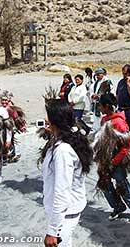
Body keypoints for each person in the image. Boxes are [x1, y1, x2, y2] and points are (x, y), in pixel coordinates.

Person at [39, 99, 93, 247]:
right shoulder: (65, 141)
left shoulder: (63, 150)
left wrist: (53, 230)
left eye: (47, 115)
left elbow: (62, 191)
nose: (45, 119)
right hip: (66, 212)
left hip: (65, 215)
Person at [93, 93, 130, 221]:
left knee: (122, 184)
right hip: (104, 159)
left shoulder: (119, 123)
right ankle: (117, 206)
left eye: (100, 105)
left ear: (107, 106)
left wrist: (115, 161)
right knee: (105, 184)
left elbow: (127, 145)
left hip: (116, 161)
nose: (99, 108)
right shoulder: (104, 120)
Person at [0, 90, 26, 165]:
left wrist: (21, 126)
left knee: (10, 141)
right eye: (2, 100)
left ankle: (10, 155)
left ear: (8, 100)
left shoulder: (10, 108)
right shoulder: (0, 108)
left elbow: (16, 117)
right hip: (1, 128)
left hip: (9, 127)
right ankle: (6, 155)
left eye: (5, 100)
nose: (4, 102)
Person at [90, 68, 112, 132]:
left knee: (103, 118)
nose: (97, 76)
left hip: (104, 103)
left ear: (102, 74)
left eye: (98, 74)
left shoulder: (107, 81)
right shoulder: (96, 82)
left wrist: (99, 96)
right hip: (96, 103)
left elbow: (111, 92)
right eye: (96, 75)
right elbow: (91, 90)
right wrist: (93, 95)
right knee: (96, 118)